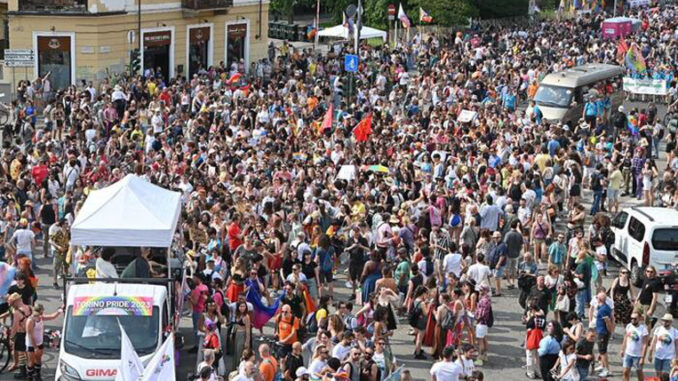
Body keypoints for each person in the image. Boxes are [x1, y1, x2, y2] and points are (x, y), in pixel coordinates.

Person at [25, 303, 63, 381]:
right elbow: (30, 335)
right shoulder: (30, 321)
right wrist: (35, 347)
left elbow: (52, 316)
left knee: (38, 359)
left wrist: (60, 310)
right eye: (41, 312)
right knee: (31, 362)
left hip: (40, 342)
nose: (42, 314)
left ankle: (37, 376)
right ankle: (29, 377)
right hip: (31, 345)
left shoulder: (40, 317)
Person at [647, 314, 678, 379]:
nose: (664, 322)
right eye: (663, 321)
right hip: (658, 356)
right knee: (658, 374)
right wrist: (650, 353)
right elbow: (653, 341)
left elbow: (676, 345)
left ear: (670, 322)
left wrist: (677, 357)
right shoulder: (658, 329)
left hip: (669, 357)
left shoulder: (675, 332)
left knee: (666, 375)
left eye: (666, 321)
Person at [620, 312, 649, 381]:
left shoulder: (643, 329)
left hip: (638, 355)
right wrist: (622, 349)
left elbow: (645, 344)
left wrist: (642, 357)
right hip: (628, 353)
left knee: (639, 372)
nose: (633, 320)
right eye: (631, 318)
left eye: (635, 319)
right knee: (625, 372)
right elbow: (625, 338)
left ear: (639, 319)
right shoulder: (629, 326)